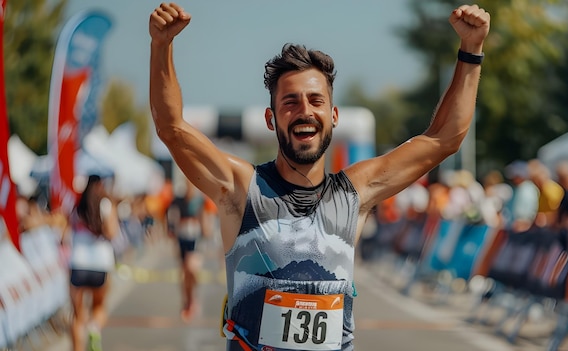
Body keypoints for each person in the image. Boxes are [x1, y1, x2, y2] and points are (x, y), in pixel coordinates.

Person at [149, 3, 490, 350]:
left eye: (315, 100)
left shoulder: (355, 192)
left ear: (334, 115)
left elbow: (443, 139)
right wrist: (161, 46)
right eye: (290, 102)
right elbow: (172, 128)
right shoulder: (241, 188)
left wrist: (472, 49)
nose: (305, 112)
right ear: (271, 119)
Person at [67, 175, 119, 351]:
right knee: (99, 307)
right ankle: (94, 328)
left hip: (78, 262)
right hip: (101, 264)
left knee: (77, 316)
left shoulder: (76, 206)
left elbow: (66, 229)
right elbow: (113, 233)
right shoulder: (105, 204)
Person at [166, 177, 212, 322]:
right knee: (184, 272)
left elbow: (205, 222)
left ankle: (192, 298)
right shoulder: (178, 200)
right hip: (182, 239)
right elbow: (171, 216)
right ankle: (187, 301)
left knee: (191, 269)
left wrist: (205, 230)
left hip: (196, 240)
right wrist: (171, 230)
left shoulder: (200, 201)